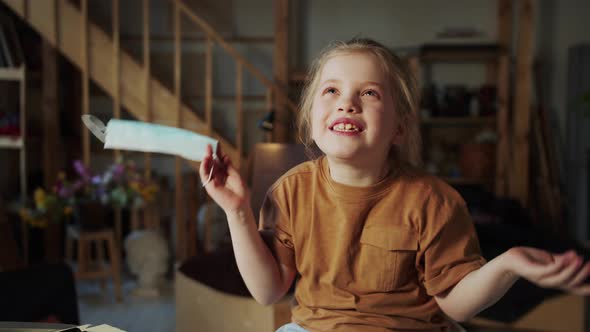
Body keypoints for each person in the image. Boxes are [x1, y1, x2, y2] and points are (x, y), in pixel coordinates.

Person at [198, 38, 590, 332]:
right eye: (331, 90)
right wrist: (236, 211)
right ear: (310, 120)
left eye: (369, 93)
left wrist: (507, 264)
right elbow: (268, 292)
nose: (346, 103)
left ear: (399, 128)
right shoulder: (288, 192)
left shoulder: (434, 200)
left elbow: (454, 305)